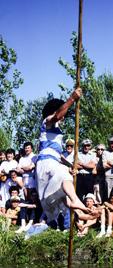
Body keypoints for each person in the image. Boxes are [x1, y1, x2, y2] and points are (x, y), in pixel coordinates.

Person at [35, 88, 91, 225]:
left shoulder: (56, 134)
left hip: (50, 163)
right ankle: (76, 201)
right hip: (46, 164)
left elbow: (59, 156)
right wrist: (72, 98)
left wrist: (72, 165)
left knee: (62, 193)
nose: (64, 116)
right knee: (64, 175)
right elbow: (57, 116)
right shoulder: (47, 121)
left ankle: (79, 211)